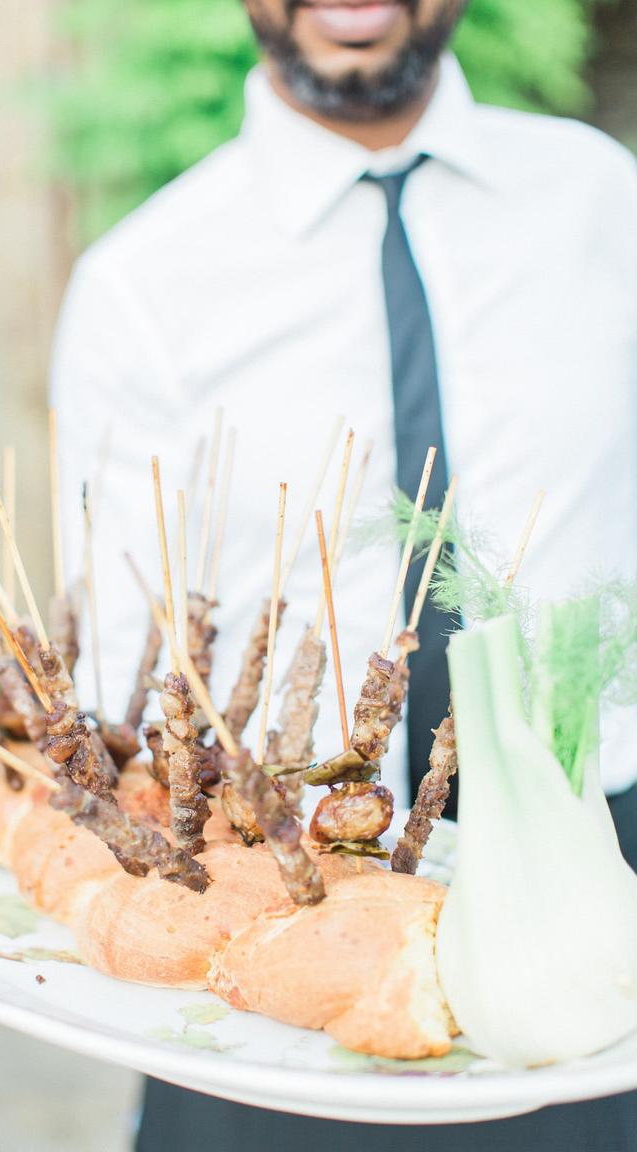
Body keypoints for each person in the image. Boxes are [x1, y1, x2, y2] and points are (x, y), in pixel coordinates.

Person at [51, 1, 637, 1149]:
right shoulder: (142, 281)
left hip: (603, 862)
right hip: (280, 900)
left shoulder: (602, 201)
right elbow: (118, 663)